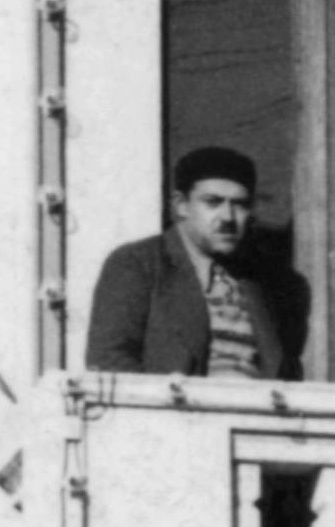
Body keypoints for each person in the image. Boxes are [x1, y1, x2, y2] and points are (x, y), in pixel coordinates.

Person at [85, 146, 301, 379]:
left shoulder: (264, 280)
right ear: (182, 205)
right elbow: (108, 359)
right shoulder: (138, 263)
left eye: (240, 204)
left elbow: (286, 371)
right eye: (213, 202)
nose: (228, 217)